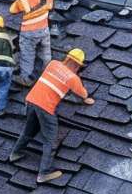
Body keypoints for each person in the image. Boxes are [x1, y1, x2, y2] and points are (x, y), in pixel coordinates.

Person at [9, 48, 94, 183]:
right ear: (77, 65)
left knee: (28, 131)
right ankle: (44, 173)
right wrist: (86, 99)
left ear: (67, 58)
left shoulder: (53, 63)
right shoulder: (73, 78)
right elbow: (83, 94)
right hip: (45, 108)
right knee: (50, 140)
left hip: (31, 100)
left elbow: (56, 80)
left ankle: (15, 153)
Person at [9, 0, 69, 86]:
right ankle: (47, 75)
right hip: (44, 30)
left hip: (28, 33)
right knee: (46, 53)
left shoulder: (22, 1)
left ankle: (26, 79)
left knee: (27, 56)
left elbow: (12, 10)